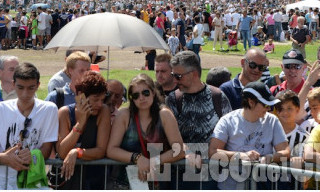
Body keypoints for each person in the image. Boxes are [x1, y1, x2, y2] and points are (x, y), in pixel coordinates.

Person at [0, 62, 59, 190]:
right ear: (13, 84)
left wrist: (33, 155)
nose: (25, 94)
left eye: (31, 88)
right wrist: (4, 158)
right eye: (20, 87)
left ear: (38, 86)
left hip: (31, 180)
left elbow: (47, 148)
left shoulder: (49, 109)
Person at [166, 51, 231, 187]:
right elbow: (168, 136)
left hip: (213, 176)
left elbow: (229, 134)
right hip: (179, 175)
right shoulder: (172, 99)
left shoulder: (218, 96)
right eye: (173, 75)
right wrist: (186, 152)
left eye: (178, 76)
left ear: (194, 74)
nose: (174, 80)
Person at [107, 74, 184, 187]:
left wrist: (152, 162)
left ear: (153, 92)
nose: (141, 98)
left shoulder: (164, 114)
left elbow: (179, 150)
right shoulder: (124, 115)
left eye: (145, 92)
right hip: (123, 184)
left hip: (157, 184)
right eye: (136, 95)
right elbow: (111, 150)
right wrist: (137, 158)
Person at [209, 81, 288, 189]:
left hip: (262, 185)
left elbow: (286, 151)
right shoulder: (228, 121)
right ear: (251, 102)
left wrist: (271, 157)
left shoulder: (272, 120)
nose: (269, 109)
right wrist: (240, 155)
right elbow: (213, 152)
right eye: (265, 104)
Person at [56, 71, 110, 189]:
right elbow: (62, 152)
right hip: (67, 181)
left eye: (102, 99)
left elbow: (101, 151)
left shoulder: (103, 111)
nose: (100, 104)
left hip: (94, 180)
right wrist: (80, 123)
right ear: (80, 95)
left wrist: (76, 152)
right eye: (95, 99)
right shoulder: (64, 113)